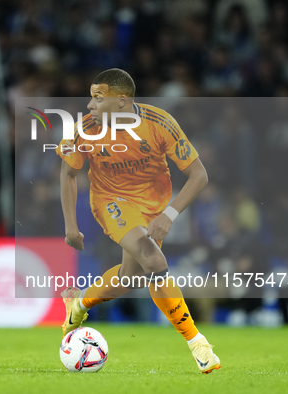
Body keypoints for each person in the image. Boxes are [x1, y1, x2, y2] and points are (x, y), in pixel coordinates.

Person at [58, 68, 220, 374]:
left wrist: (169, 214)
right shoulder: (84, 128)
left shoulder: (159, 123)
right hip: (111, 202)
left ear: (121, 102)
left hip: (153, 206)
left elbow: (199, 175)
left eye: (97, 98)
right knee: (154, 260)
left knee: (131, 279)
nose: (90, 105)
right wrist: (71, 225)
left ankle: (79, 304)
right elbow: (68, 173)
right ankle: (197, 342)